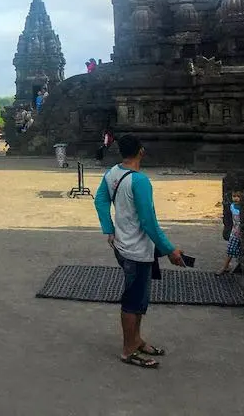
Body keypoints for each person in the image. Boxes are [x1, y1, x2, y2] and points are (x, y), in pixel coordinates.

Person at [94, 135, 185, 369]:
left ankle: (136, 340)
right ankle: (128, 350)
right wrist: (170, 250)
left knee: (139, 297)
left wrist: (109, 228)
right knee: (133, 300)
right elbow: (148, 222)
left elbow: (100, 201)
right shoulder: (140, 181)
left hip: (122, 245)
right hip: (136, 249)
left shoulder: (112, 173)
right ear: (141, 151)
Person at [218, 190, 242, 275]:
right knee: (230, 250)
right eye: (234, 196)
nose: (236, 198)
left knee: (239, 251)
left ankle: (230, 267)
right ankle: (225, 266)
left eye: (238, 197)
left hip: (241, 233)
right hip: (235, 232)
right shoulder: (232, 206)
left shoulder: (243, 208)